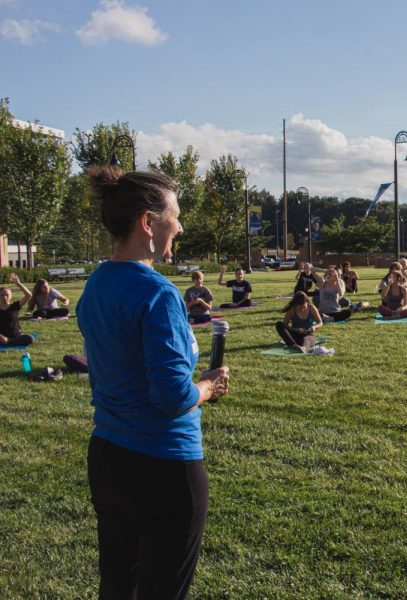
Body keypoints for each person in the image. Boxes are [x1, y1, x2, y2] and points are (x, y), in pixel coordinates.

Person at [77, 166, 229, 599]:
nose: (179, 226)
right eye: (174, 216)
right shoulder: (158, 294)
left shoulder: (98, 283)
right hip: (162, 465)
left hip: (107, 456)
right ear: (148, 222)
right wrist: (208, 387)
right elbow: (172, 397)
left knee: (118, 586)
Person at [0, 273, 34, 347]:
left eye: (7, 295)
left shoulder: (15, 306)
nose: (5, 297)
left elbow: (29, 295)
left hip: (15, 336)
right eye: (2, 295)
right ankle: (7, 341)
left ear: (11, 296)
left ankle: (9, 341)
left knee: (30, 338)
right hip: (1, 337)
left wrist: (18, 283)